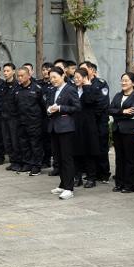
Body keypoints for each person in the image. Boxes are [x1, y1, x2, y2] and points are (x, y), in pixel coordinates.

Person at [46, 67, 80, 200]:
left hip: (66, 128)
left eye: (55, 77)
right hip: (54, 127)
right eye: (51, 78)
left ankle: (69, 188)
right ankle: (62, 184)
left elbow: (77, 107)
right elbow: (48, 105)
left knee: (66, 158)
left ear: (62, 76)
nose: (52, 80)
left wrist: (60, 108)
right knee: (58, 158)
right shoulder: (52, 90)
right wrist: (49, 109)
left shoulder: (70, 89)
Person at [109, 72, 134, 193]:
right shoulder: (118, 95)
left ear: (133, 83)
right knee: (119, 158)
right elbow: (109, 109)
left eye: (126, 80)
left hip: (130, 131)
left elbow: (133, 112)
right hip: (117, 130)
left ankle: (130, 185)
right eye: (122, 80)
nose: (123, 83)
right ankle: (119, 183)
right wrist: (123, 112)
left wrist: (118, 113)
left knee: (130, 158)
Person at [79, 61, 111, 182]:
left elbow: (102, 103)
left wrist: (91, 117)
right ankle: (91, 172)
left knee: (101, 147)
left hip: (99, 121)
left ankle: (103, 173)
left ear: (92, 70)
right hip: (86, 122)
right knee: (89, 147)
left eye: (84, 69)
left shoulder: (101, 83)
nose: (82, 71)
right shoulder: (79, 84)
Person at [71, 68, 101, 188]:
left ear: (85, 78)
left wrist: (87, 86)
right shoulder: (73, 89)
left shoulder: (92, 89)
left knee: (89, 152)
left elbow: (89, 101)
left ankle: (91, 178)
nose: (76, 80)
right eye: (75, 77)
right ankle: (77, 177)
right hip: (75, 124)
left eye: (78, 77)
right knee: (76, 152)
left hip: (88, 125)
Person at [15, 66, 44, 175]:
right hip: (21, 122)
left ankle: (37, 166)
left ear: (28, 76)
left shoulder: (37, 88)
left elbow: (43, 105)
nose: (19, 78)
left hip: (34, 122)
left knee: (35, 145)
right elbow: (14, 105)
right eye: (18, 76)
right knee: (24, 144)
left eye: (22, 76)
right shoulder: (17, 89)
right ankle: (27, 164)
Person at [0, 63, 21, 171]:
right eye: (4, 71)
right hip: (4, 117)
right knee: (7, 141)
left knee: (15, 141)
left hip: (14, 118)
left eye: (8, 71)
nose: (5, 73)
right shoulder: (2, 85)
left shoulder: (18, 85)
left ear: (13, 72)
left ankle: (18, 162)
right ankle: (13, 161)